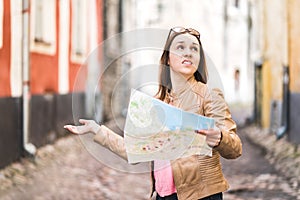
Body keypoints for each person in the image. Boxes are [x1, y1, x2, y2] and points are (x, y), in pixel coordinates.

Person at [64, 27, 242, 200]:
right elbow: (134, 150)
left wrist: (219, 138)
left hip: (201, 195)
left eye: (194, 49)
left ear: (199, 60)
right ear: (167, 59)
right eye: (180, 47)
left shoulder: (209, 95)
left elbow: (235, 148)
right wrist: (97, 130)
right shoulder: (157, 102)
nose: (188, 53)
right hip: (163, 195)